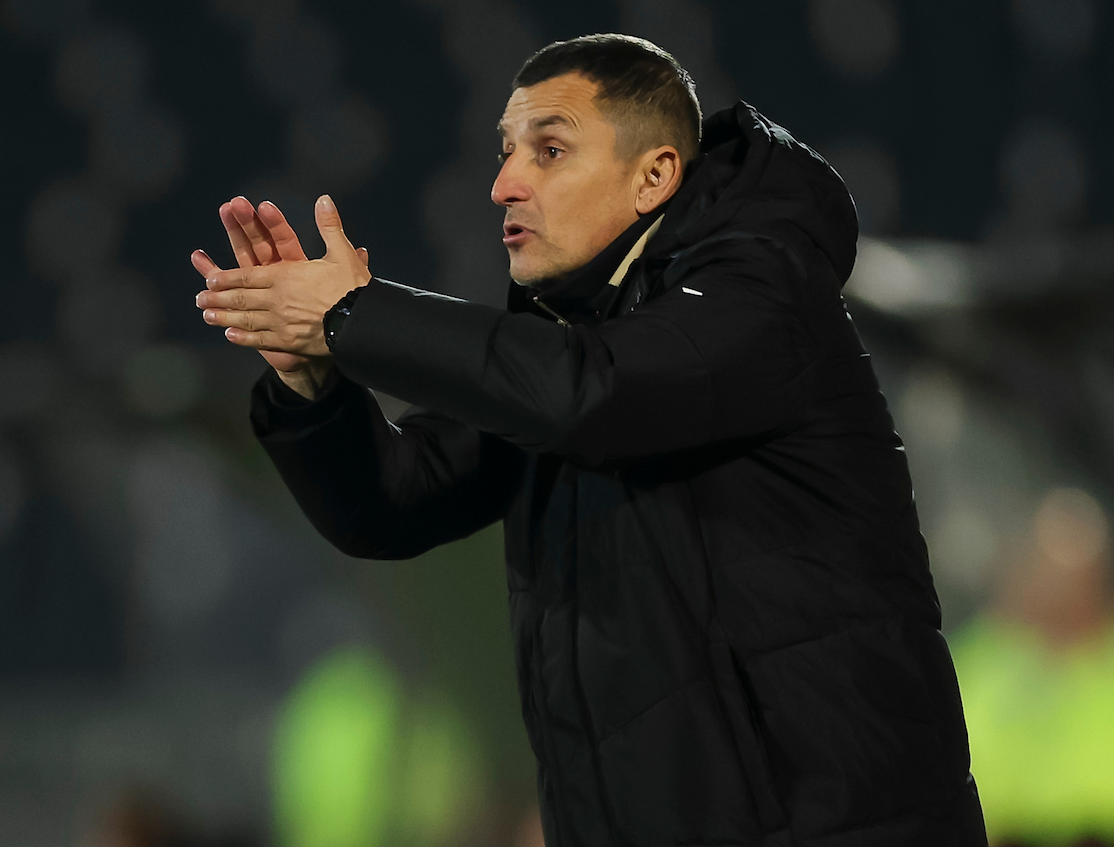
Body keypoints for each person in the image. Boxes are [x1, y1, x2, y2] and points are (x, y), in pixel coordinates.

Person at [192, 34, 987, 847]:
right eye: (505, 152)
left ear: (654, 176)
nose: (504, 183)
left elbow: (595, 394)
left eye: (549, 149)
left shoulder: (758, 288)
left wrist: (354, 313)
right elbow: (393, 497)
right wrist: (313, 382)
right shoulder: (571, 345)